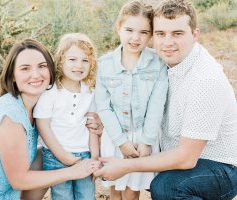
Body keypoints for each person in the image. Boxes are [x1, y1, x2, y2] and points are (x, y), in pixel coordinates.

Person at [94, 0, 237, 199]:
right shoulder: (161, 63)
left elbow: (187, 158)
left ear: (195, 34)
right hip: (179, 154)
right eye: (161, 34)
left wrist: (125, 166)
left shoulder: (205, 80)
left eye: (177, 33)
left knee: (166, 187)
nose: (167, 42)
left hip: (219, 167)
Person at [0, 38, 102, 199]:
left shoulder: (38, 105)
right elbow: (18, 180)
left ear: (51, 70)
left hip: (3, 189)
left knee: (43, 154)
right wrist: (74, 172)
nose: (35, 74)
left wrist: (97, 125)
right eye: (25, 69)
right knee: (46, 160)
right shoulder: (9, 115)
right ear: (13, 75)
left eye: (42, 66)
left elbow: (70, 124)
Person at [95, 1, 168, 199]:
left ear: (151, 35)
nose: (135, 38)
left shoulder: (158, 63)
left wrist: (146, 141)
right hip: (116, 137)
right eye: (129, 30)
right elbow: (103, 107)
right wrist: (120, 141)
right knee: (114, 187)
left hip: (143, 135)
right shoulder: (104, 65)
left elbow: (156, 105)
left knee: (131, 191)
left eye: (144, 32)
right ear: (119, 27)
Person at [32, 33, 99, 200]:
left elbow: (92, 127)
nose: (79, 65)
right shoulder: (50, 91)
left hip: (84, 154)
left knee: (86, 196)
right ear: (61, 61)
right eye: (72, 59)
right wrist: (63, 156)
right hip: (55, 155)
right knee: (63, 196)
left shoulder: (90, 91)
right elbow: (43, 126)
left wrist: (95, 157)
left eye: (85, 60)